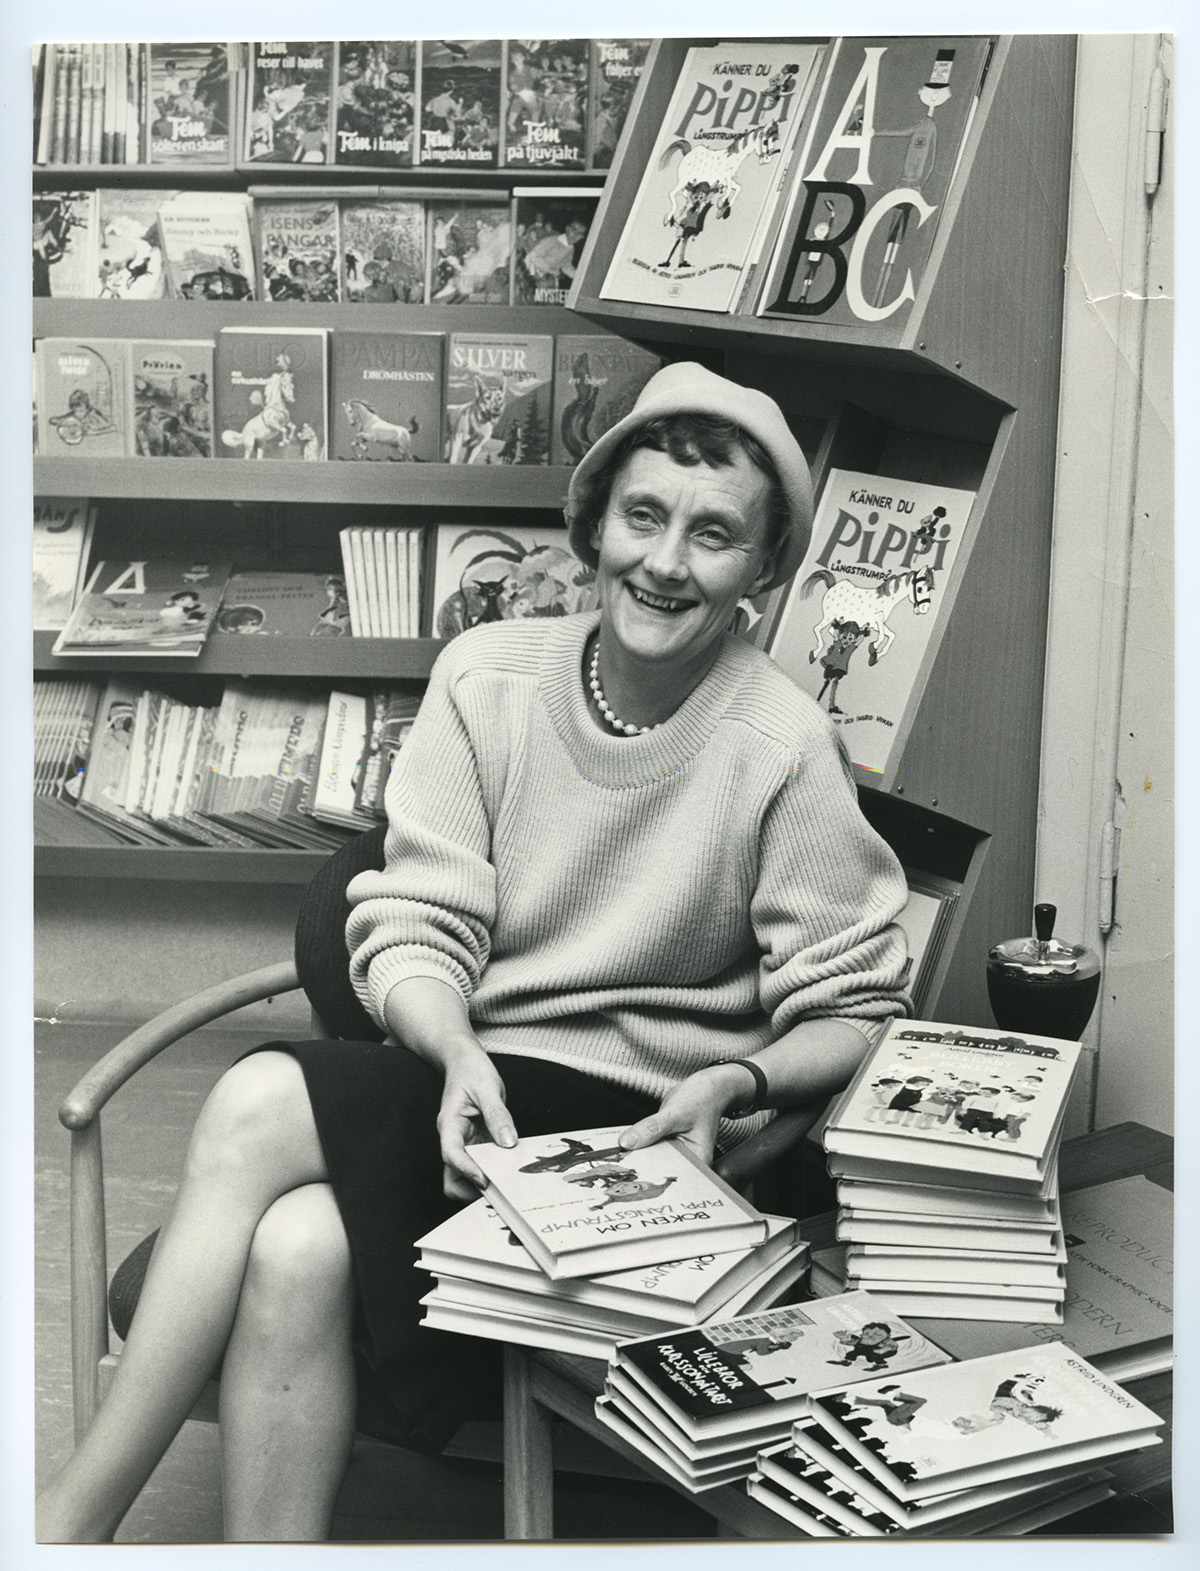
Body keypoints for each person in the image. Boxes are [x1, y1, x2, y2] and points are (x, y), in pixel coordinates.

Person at [37, 364, 911, 1542]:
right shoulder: (486, 676)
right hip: (480, 1091)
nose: (664, 561)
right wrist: (449, 1048)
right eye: (643, 516)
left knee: (255, 1099)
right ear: (594, 521)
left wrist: (738, 1080)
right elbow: (417, 917)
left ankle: (65, 1528)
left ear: (759, 573)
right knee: (298, 1242)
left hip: (645, 1134)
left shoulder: (785, 742)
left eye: (713, 536)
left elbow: (855, 1007)